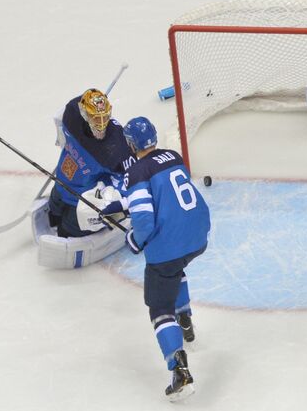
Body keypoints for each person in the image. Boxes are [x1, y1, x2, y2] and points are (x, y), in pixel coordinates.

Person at [121, 116, 210, 401]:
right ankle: (186, 321)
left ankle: (179, 371)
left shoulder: (136, 172)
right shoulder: (173, 156)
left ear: (132, 143)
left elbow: (145, 223)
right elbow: (167, 194)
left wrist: (133, 240)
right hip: (197, 234)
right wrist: (123, 204)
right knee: (175, 267)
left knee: (160, 306)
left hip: (170, 246)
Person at [48, 88, 135, 237]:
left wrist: (112, 200)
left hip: (83, 201)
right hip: (61, 182)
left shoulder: (117, 145)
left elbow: (131, 177)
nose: (101, 125)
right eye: (95, 118)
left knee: (66, 231)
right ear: (84, 113)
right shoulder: (72, 114)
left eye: (105, 117)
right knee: (53, 213)